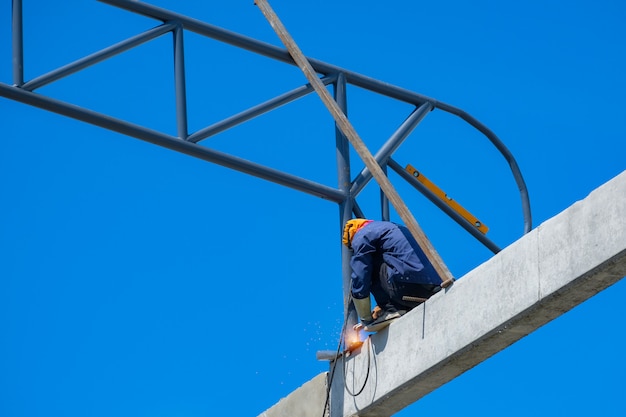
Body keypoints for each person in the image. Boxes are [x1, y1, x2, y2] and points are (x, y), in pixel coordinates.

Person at [342, 219, 443, 331]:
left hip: (407, 284)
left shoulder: (361, 234)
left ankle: (392, 310)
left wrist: (366, 319)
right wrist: (380, 308)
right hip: (432, 285)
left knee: (366, 266)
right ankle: (393, 308)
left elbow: (361, 273)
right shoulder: (390, 227)